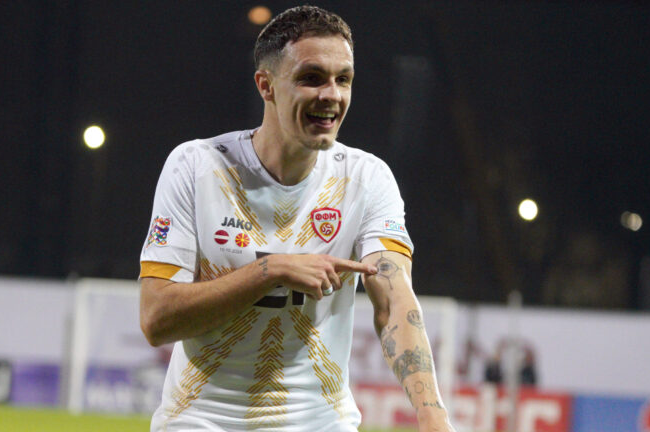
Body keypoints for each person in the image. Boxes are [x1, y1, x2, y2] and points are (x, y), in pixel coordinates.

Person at [138, 5, 455, 431]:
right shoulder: (196, 167)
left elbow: (396, 302)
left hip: (319, 422)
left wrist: (432, 417)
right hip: (201, 419)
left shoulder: (366, 178)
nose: (332, 95)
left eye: (343, 79)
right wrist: (271, 270)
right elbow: (157, 319)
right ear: (265, 86)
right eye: (312, 78)